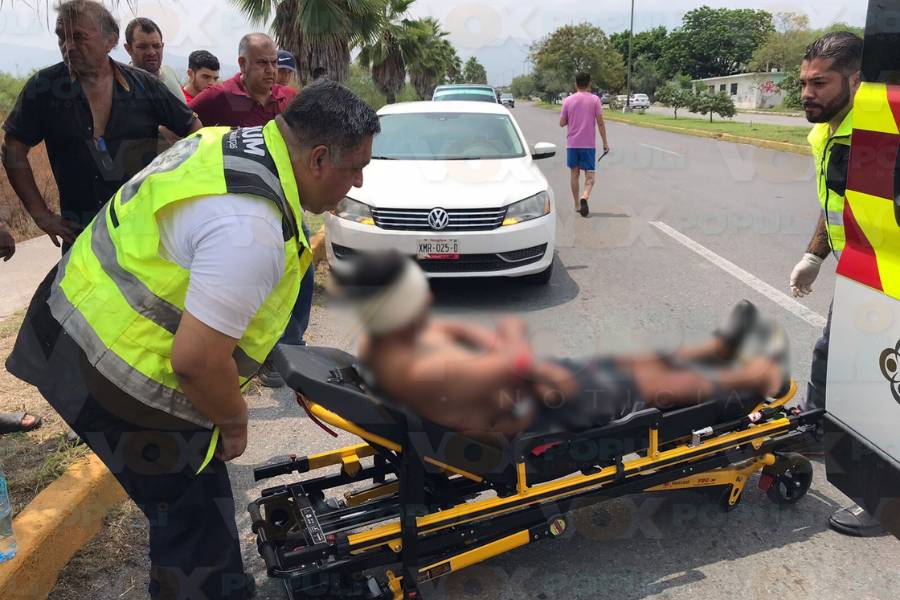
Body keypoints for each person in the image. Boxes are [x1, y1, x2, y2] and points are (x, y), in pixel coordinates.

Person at [5, 80, 379, 599]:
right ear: (317, 158)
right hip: (114, 374)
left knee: (189, 516)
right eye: (355, 166)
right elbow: (198, 362)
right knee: (199, 535)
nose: (358, 182)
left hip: (65, 324)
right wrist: (233, 421)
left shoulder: (222, 143)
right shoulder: (251, 225)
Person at [336, 251, 788, 437]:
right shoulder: (426, 370)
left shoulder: (384, 344)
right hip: (541, 417)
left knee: (622, 361)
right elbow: (513, 360)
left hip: (530, 394)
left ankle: (716, 351)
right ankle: (760, 376)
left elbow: (466, 340)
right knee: (643, 381)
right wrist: (516, 346)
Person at [1, 0, 200, 254]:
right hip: (81, 238)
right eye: (62, 37)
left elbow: (196, 131)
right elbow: (13, 150)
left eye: (79, 37)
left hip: (144, 232)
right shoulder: (43, 88)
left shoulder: (144, 86)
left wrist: (180, 196)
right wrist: (41, 215)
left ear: (110, 40)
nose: (69, 46)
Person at [787, 32, 881, 537]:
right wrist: (813, 256)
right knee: (830, 355)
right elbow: (836, 205)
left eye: (820, 83)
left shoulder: (880, 135)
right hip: (859, 276)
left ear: (856, 80)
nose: (807, 93)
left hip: (888, 286)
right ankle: (817, 431)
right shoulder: (824, 133)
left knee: (884, 388)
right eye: (803, 82)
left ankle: (883, 500)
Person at [189, 33, 297, 127]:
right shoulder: (219, 95)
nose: (271, 70)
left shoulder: (290, 97)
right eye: (262, 63)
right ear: (242, 64)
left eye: (274, 63)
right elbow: (179, 126)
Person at [559, 72, 609, 218]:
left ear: (576, 83)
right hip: (588, 145)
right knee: (590, 176)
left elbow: (562, 123)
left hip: (572, 144)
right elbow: (600, 122)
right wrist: (605, 142)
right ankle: (585, 196)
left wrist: (572, 118)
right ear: (589, 83)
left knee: (574, 174)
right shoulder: (595, 100)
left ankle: (576, 204)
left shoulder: (568, 101)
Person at [123, 17, 185, 102]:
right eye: (143, 47)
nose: (152, 52)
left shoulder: (170, 73)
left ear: (162, 46)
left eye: (156, 46)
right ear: (128, 49)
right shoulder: (124, 87)